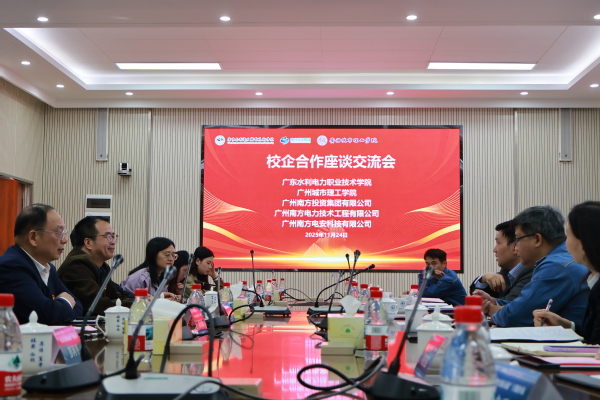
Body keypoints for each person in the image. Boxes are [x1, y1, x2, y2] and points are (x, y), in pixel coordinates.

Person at [483, 205, 589, 327]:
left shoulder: (556, 267)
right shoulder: (561, 259)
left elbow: (516, 315)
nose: (516, 247)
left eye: (517, 239)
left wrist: (490, 309)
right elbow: (525, 305)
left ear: (537, 239)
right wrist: (494, 302)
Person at [0, 204, 83, 324]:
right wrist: (64, 302)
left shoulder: (49, 269)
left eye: (64, 233)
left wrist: (58, 307)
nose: (65, 240)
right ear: (33, 237)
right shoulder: (10, 267)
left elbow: (78, 305)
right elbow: (45, 315)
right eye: (58, 232)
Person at [532, 202, 600, 344]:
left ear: (585, 242)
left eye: (568, 235)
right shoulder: (594, 281)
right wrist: (566, 325)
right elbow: (592, 334)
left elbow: (595, 344)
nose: (565, 243)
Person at [58, 216, 134, 316]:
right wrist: (137, 305)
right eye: (108, 236)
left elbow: (115, 296)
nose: (113, 241)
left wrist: (141, 301)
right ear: (88, 242)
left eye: (114, 236)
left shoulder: (102, 267)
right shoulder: (77, 264)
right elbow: (95, 305)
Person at [471, 220, 532, 301]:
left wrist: (491, 302)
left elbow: (509, 304)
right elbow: (476, 296)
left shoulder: (531, 273)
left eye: (498, 243)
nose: (494, 250)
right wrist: (484, 279)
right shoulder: (505, 272)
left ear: (515, 246)